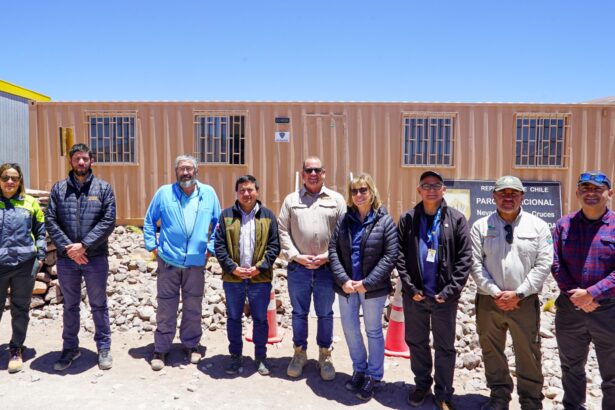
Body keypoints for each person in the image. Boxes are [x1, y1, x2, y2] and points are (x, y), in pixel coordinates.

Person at [470, 176, 553, 410]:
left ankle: (530, 401)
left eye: (514, 193)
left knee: (528, 351)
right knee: (492, 350)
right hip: (488, 301)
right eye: (503, 193)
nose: (508, 198)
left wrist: (519, 293)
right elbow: (475, 264)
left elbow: (544, 263)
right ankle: (499, 397)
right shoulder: (480, 226)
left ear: (522, 197)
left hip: (524, 302)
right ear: (493, 196)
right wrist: (496, 292)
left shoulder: (538, 226)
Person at [397, 171, 472, 410]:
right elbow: (399, 256)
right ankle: (421, 385)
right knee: (416, 342)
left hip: (443, 299)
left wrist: (449, 292)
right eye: (426, 186)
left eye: (436, 185)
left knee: (444, 347)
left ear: (443, 190)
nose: (431, 189)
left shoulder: (457, 219)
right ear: (419, 190)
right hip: (416, 296)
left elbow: (464, 260)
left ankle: (443, 393)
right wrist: (410, 288)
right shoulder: (408, 219)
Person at [143, 154, 221, 371]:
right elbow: (149, 221)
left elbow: (218, 224)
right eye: (181, 169)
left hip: (196, 262)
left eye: (189, 169)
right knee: (166, 306)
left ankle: (191, 344)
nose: (185, 173)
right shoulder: (164, 193)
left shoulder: (208, 194)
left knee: (193, 305)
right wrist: (153, 247)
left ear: (197, 171)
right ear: (176, 171)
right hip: (168, 261)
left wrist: (210, 249)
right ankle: (161, 349)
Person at [46, 144, 117, 371]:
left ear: (91, 161)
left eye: (85, 159)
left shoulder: (103, 188)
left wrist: (84, 246)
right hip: (67, 260)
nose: (81, 163)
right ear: (70, 161)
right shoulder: (58, 189)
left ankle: (104, 347)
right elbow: (51, 221)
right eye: (77, 159)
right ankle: (70, 349)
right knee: (70, 306)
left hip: (95, 257)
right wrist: (69, 249)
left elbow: (108, 221)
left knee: (98, 304)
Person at [328, 173, 398, 400]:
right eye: (354, 191)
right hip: (347, 287)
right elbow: (333, 251)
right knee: (349, 328)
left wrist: (367, 283)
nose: (358, 195)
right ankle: (359, 369)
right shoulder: (344, 219)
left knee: (373, 331)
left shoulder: (384, 220)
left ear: (372, 191)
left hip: (372, 290)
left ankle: (374, 375)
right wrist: (344, 280)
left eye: (363, 190)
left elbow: (390, 256)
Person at [278, 156, 346, 380]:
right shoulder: (291, 200)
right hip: (299, 269)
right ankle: (299, 353)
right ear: (303, 172)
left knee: (325, 314)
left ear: (324, 173)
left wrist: (328, 255)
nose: (313, 174)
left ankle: (325, 355)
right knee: (299, 313)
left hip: (327, 269)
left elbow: (343, 232)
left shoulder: (336, 200)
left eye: (317, 170)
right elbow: (282, 230)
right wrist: (297, 256)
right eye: (309, 170)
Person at [551, 171, 615, 410]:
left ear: (609, 193)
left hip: (608, 310)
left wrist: (592, 293)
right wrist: (575, 295)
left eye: (597, 189)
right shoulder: (563, 225)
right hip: (570, 310)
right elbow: (555, 263)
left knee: (612, 373)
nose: (591, 193)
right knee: (571, 368)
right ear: (577, 193)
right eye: (586, 189)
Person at [214, 175, 280, 376]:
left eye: (250, 189)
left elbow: (274, 246)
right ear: (237, 193)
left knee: (260, 320)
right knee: (234, 318)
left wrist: (259, 268)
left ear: (257, 192)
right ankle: (235, 356)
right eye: (242, 190)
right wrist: (232, 267)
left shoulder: (268, 216)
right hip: (233, 279)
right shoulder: (226, 216)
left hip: (259, 279)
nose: (246, 194)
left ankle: (261, 357)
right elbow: (219, 246)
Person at [0, 163, 46, 373]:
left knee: (20, 309)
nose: (10, 182)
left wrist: (41, 256)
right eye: (5, 177)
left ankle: (16, 348)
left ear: (20, 181)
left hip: (24, 266)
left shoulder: (30, 203)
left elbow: (41, 230)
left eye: (14, 178)